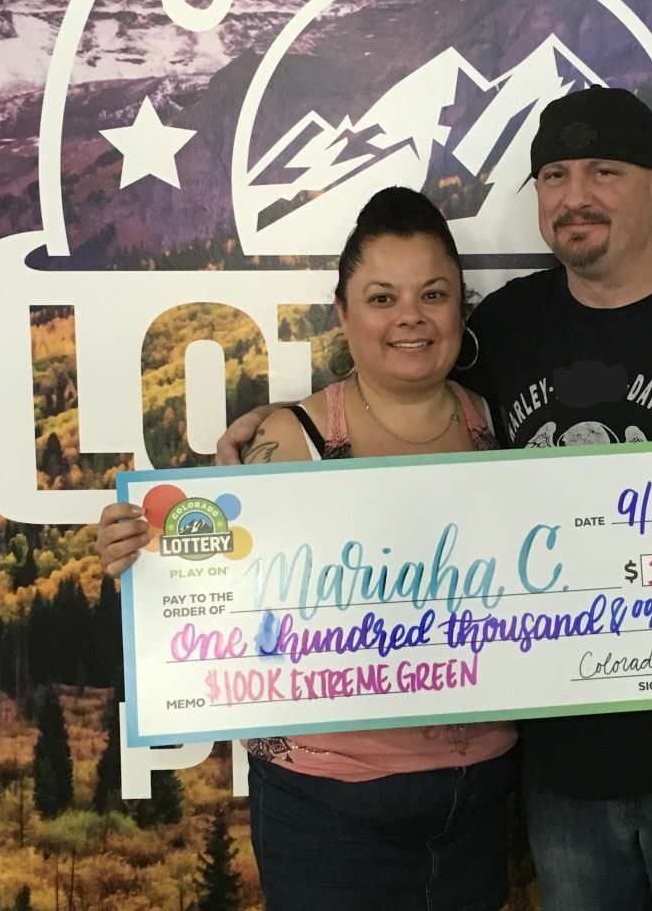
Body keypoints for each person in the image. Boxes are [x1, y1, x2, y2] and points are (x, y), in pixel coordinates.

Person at [219, 86, 652, 910]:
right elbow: (400, 392)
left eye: (605, 170)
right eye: (555, 175)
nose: (576, 195)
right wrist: (271, 432)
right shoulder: (509, 328)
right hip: (562, 782)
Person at [97, 187, 516, 911]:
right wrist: (136, 561)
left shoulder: (497, 423)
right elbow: (213, 600)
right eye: (382, 297)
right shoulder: (288, 441)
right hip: (329, 807)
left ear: (461, 307)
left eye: (434, 294)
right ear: (344, 312)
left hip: (479, 798)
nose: (410, 316)